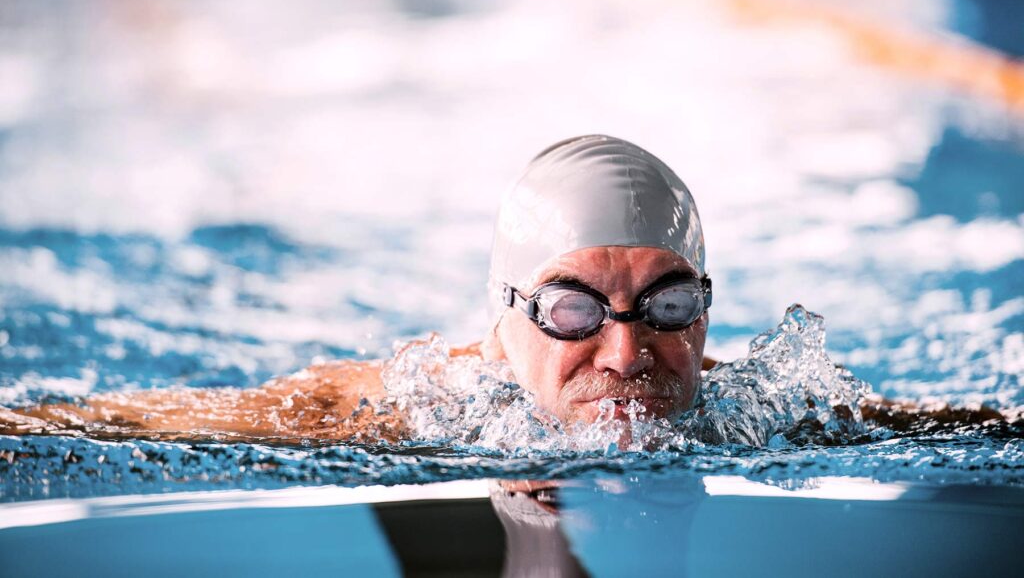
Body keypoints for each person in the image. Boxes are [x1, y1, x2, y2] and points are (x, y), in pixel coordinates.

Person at [0, 135, 1008, 442]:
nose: (625, 353)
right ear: (504, 314)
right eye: (573, 306)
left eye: (666, 305)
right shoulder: (403, 409)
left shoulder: (763, 408)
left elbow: (962, 427)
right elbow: (116, 422)